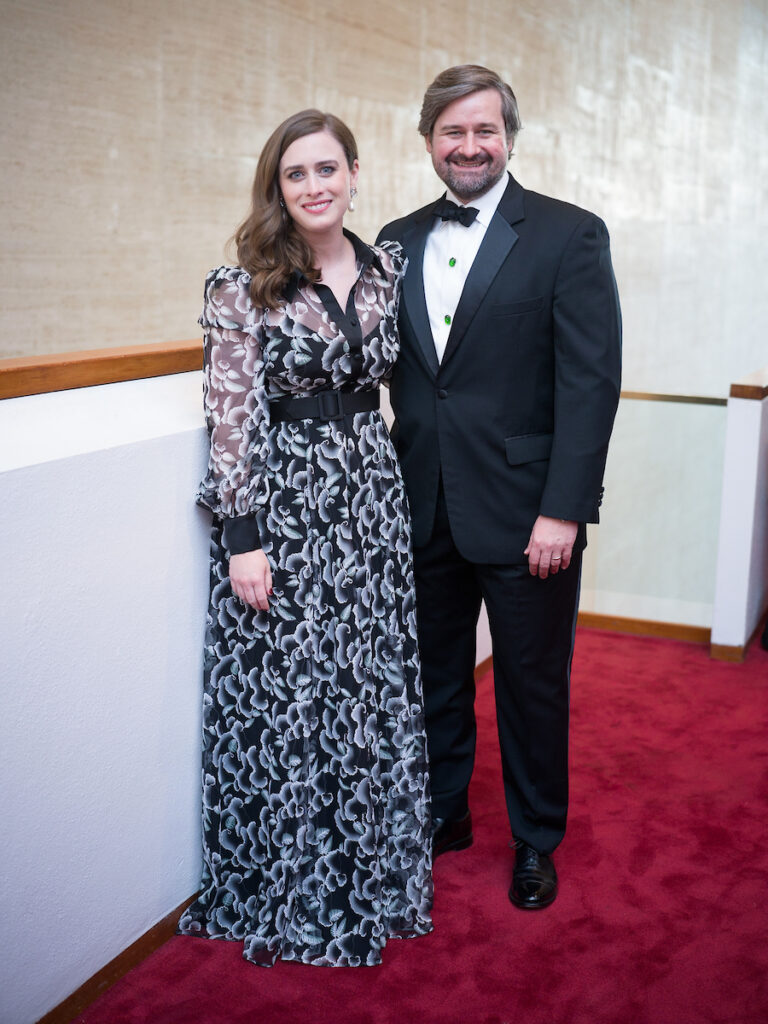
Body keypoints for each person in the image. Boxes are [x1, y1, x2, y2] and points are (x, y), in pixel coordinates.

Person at [178, 109, 433, 967]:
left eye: (328, 168)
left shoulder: (387, 270)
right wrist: (241, 536)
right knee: (293, 693)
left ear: (355, 173)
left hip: (371, 500)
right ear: (277, 187)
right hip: (286, 505)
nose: (315, 186)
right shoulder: (240, 284)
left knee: (364, 684)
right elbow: (231, 418)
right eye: (296, 174)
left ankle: (373, 871)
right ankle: (293, 882)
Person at [377, 65, 622, 910]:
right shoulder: (395, 239)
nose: (469, 146)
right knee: (434, 674)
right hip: (422, 505)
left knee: (530, 681)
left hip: (529, 517)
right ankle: (445, 814)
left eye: (484, 130)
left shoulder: (569, 234)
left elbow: (591, 385)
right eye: (452, 132)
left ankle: (535, 840)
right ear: (429, 142)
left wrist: (564, 509)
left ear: (508, 137)